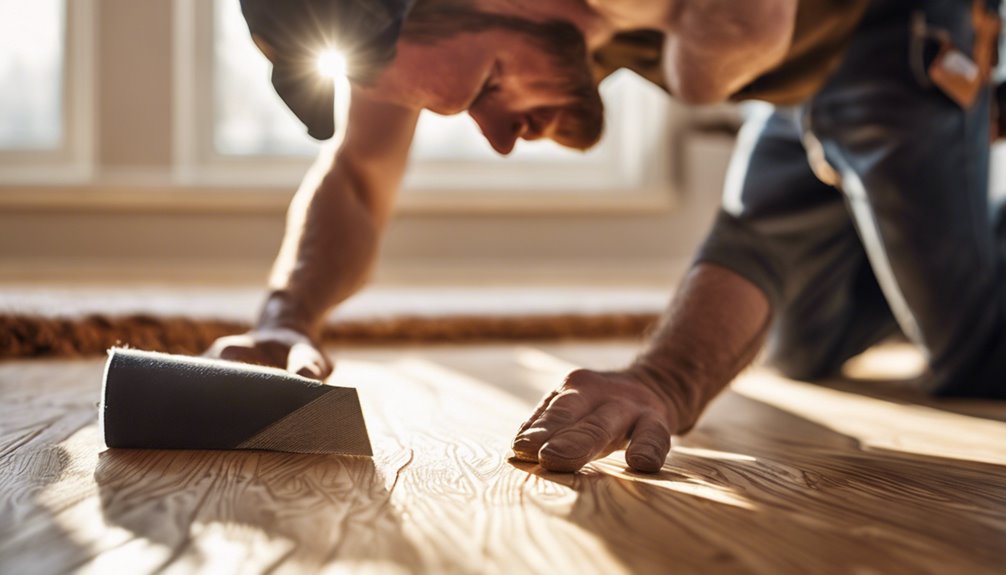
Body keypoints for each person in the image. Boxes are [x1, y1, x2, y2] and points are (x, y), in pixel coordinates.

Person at [207, 0, 1006, 473]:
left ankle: (931, 133)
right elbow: (356, 173)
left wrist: (664, 377)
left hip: (887, 30)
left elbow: (765, 221)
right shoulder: (431, 23)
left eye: (488, 86)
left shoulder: (727, 26)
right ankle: (899, 178)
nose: (499, 136)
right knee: (804, 339)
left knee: (968, 347)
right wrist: (287, 315)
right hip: (793, 81)